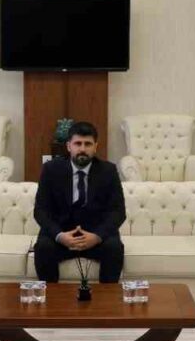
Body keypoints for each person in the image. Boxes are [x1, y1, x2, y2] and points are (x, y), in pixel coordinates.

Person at [33, 120, 126, 283]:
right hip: (62, 234)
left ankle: (107, 298)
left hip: (95, 234)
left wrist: (97, 236)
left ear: (95, 147)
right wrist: (60, 236)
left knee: (114, 247)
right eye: (78, 143)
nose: (82, 149)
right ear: (69, 146)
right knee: (43, 247)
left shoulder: (108, 171)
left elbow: (118, 212)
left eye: (87, 144)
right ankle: (51, 298)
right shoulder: (51, 170)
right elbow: (40, 211)